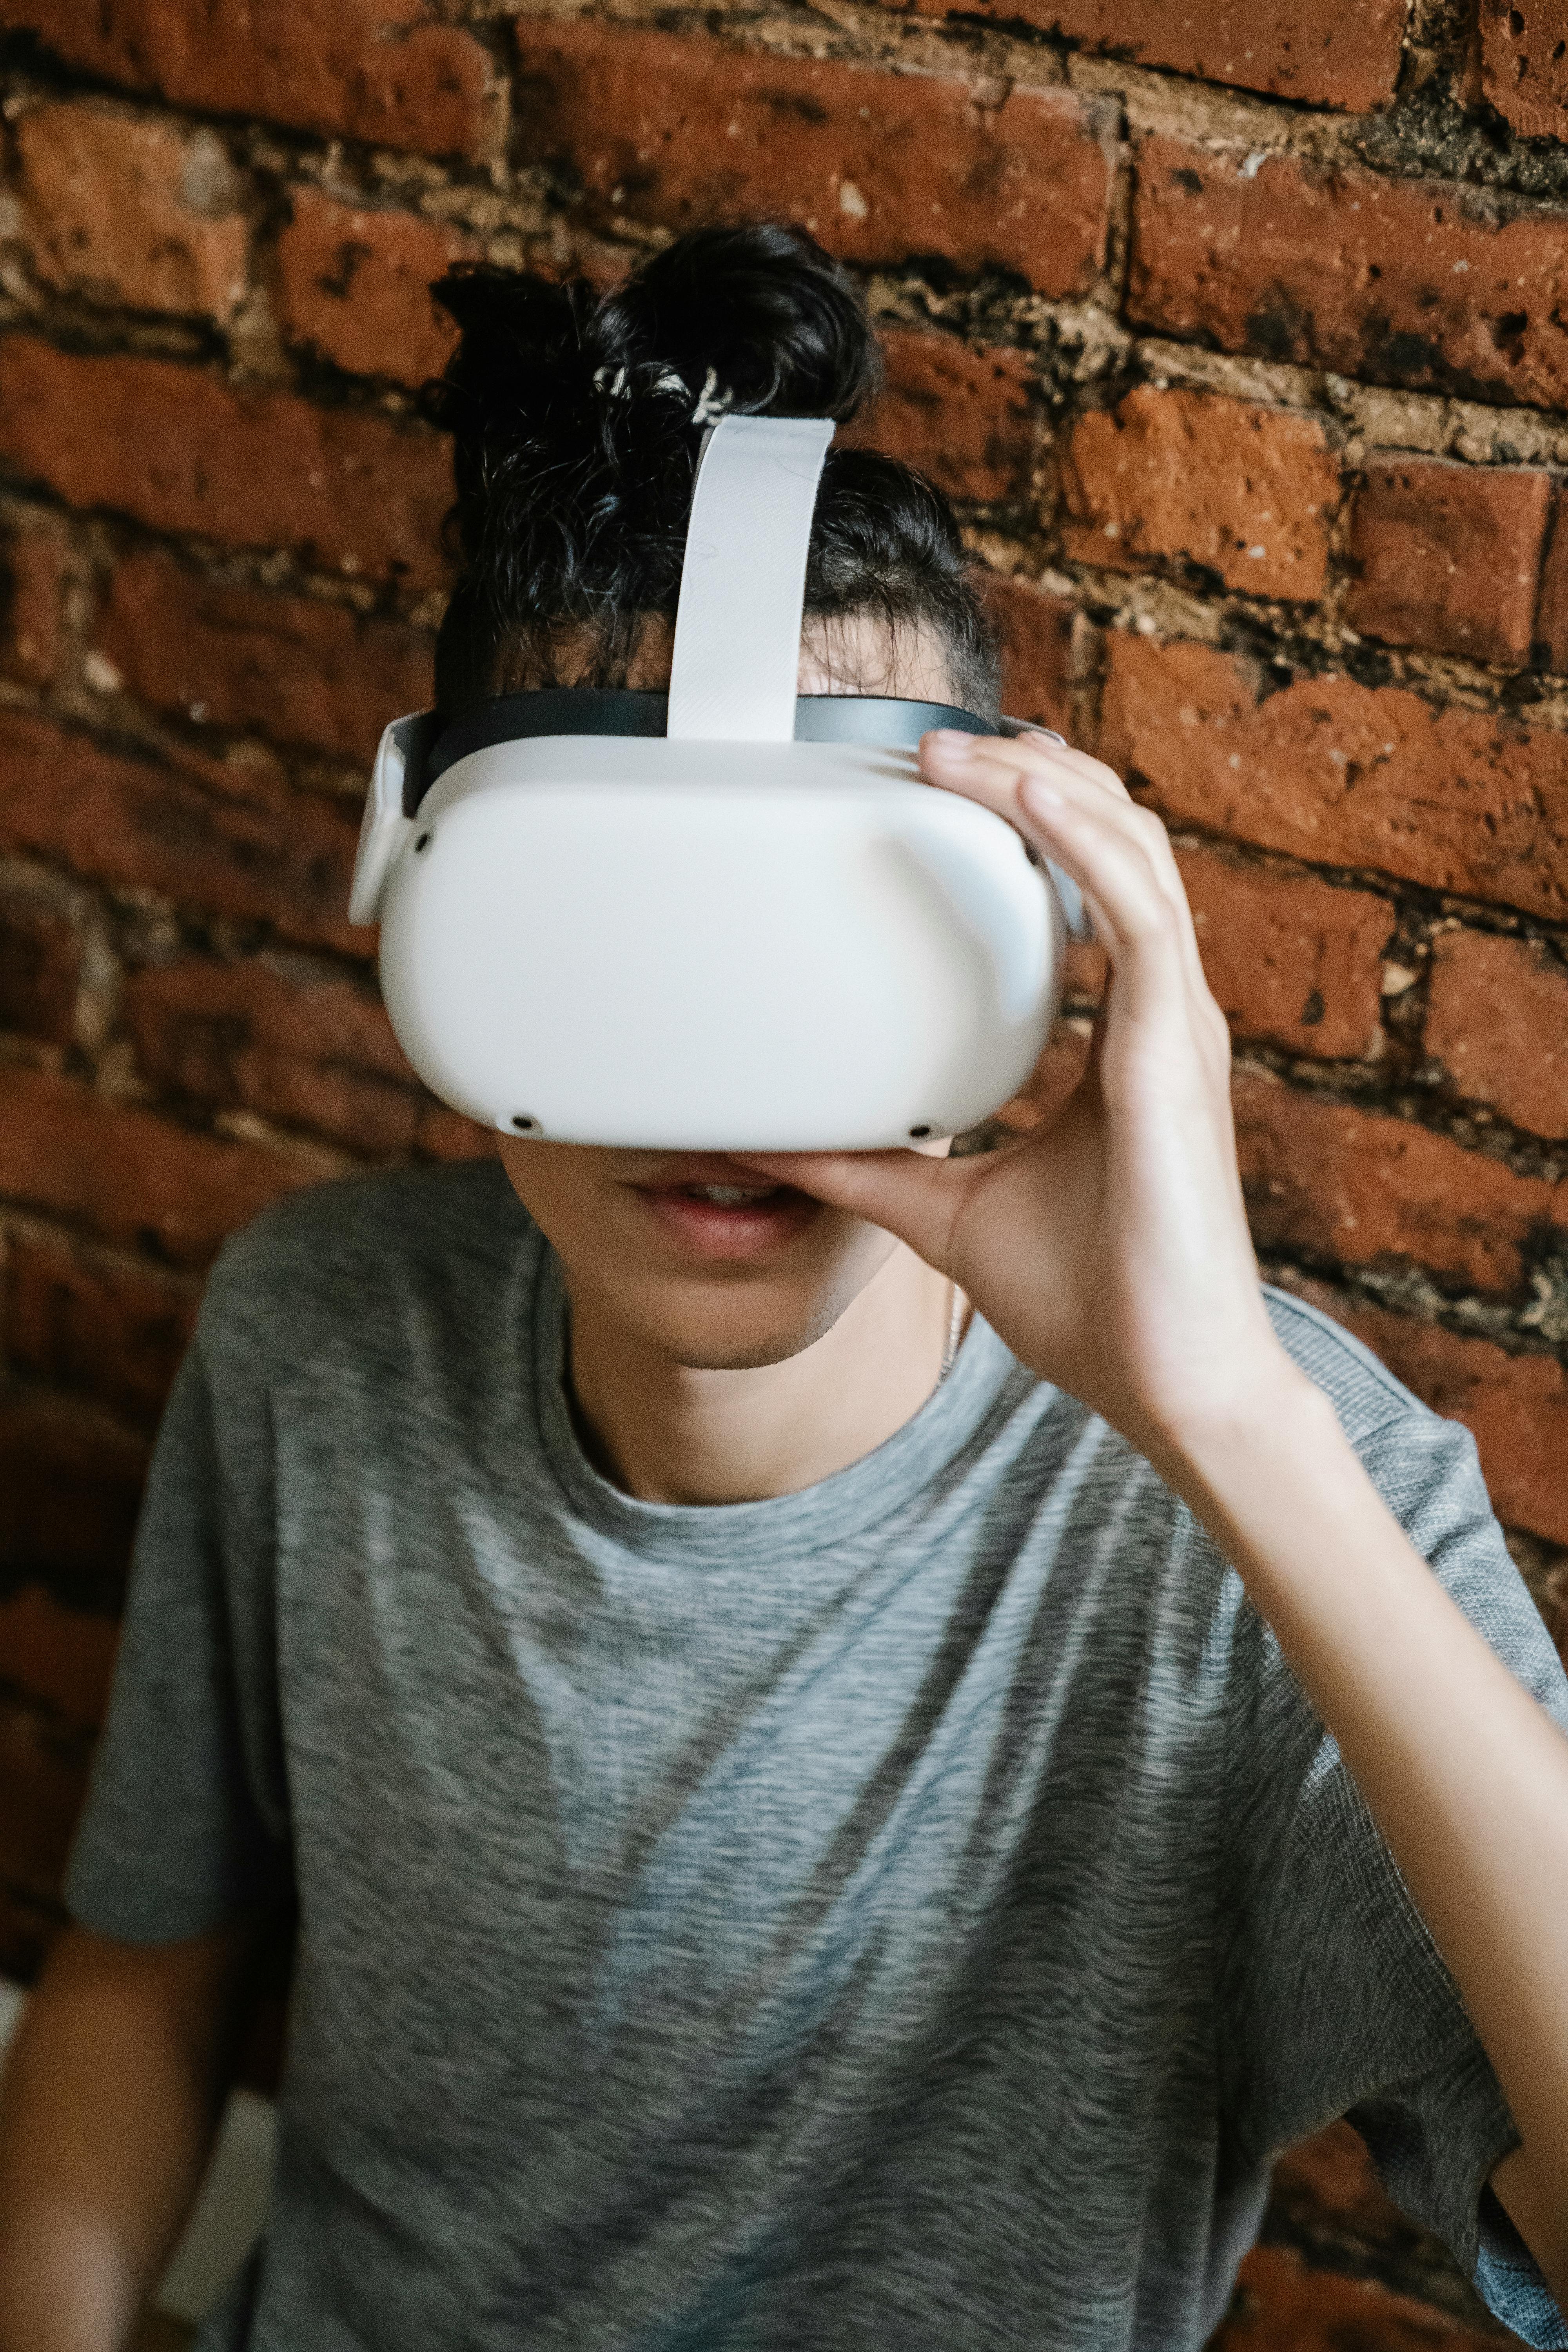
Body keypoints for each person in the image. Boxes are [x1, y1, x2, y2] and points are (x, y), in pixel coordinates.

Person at [0, 222, 1565, 2352]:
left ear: (1026, 950)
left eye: (827, 951)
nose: (721, 1092)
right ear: (431, 912)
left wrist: (1225, 1417)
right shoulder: (318, 1338)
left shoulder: (1275, 1502)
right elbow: (145, 1972)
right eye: (615, 937)